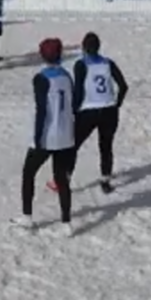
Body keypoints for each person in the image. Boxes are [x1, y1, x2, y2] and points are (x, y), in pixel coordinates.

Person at [47, 32, 129, 195]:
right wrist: (117, 104)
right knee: (106, 146)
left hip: (89, 111)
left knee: (72, 145)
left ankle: (64, 180)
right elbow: (124, 86)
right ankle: (105, 181)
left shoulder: (81, 65)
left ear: (84, 48)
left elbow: (78, 92)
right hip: (109, 111)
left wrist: (73, 111)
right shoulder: (108, 63)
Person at [12, 38, 76, 236]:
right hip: (66, 133)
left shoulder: (41, 78)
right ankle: (66, 223)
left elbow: (42, 110)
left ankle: (27, 217)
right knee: (62, 179)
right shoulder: (67, 76)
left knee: (28, 172)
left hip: (49, 134)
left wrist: (37, 138)